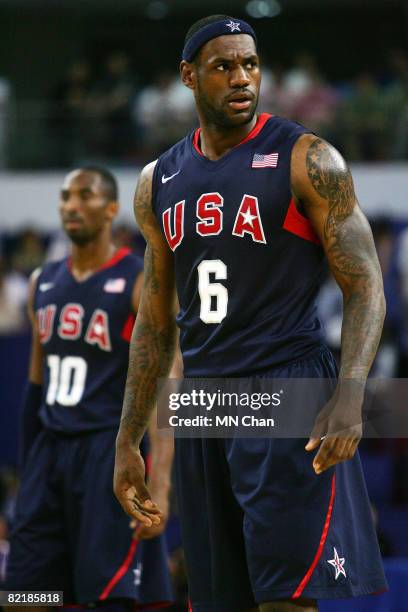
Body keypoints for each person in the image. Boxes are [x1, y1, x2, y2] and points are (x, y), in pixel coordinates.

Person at [113, 15, 388, 612]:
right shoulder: (157, 180)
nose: (241, 78)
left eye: (251, 64)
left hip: (285, 386)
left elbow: (365, 284)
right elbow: (156, 325)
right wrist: (128, 438)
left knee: (285, 600)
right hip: (204, 403)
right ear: (188, 77)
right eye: (223, 66)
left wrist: (351, 393)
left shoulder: (307, 158)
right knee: (219, 600)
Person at [5, 166, 174, 609]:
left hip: (108, 450)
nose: (72, 206)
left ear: (112, 209)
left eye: (85, 195)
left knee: (105, 595)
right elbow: (34, 386)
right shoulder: (43, 281)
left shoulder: (141, 281)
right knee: (27, 593)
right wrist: (28, 473)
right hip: (50, 451)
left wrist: (160, 481)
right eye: (65, 197)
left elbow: (166, 385)